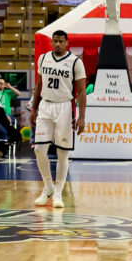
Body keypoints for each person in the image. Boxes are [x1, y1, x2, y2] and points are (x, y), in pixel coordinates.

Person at [31, 30, 86, 209]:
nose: (57, 44)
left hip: (64, 107)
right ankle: (48, 187)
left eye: (61, 41)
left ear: (67, 43)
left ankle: (58, 193)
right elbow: (39, 84)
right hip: (45, 106)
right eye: (55, 41)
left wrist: (81, 117)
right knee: (39, 149)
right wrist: (33, 108)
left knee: (63, 153)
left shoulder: (76, 62)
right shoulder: (43, 58)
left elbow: (82, 91)